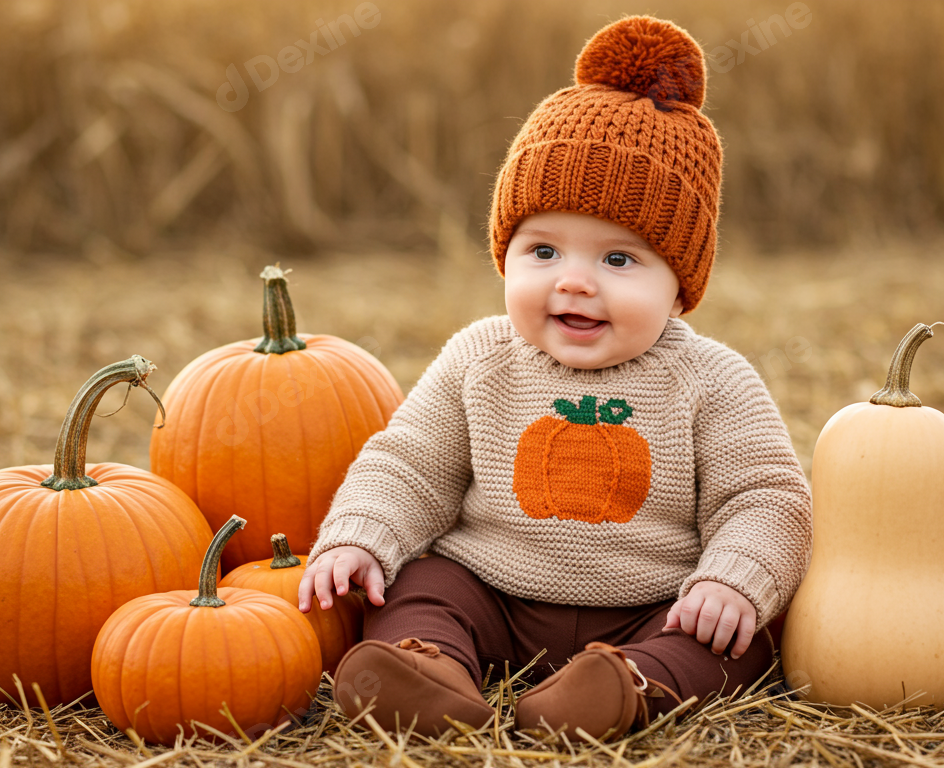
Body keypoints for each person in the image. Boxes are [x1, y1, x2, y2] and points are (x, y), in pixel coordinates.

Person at [296, 14, 812, 742]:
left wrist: (733, 579)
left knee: (733, 641)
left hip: (651, 603)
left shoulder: (712, 380)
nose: (574, 283)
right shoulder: (481, 357)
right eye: (543, 250)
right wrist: (361, 535)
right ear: (506, 253)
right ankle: (432, 671)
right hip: (491, 591)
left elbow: (766, 496)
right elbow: (409, 463)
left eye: (619, 260)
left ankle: (623, 688)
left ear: (681, 281)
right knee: (417, 587)